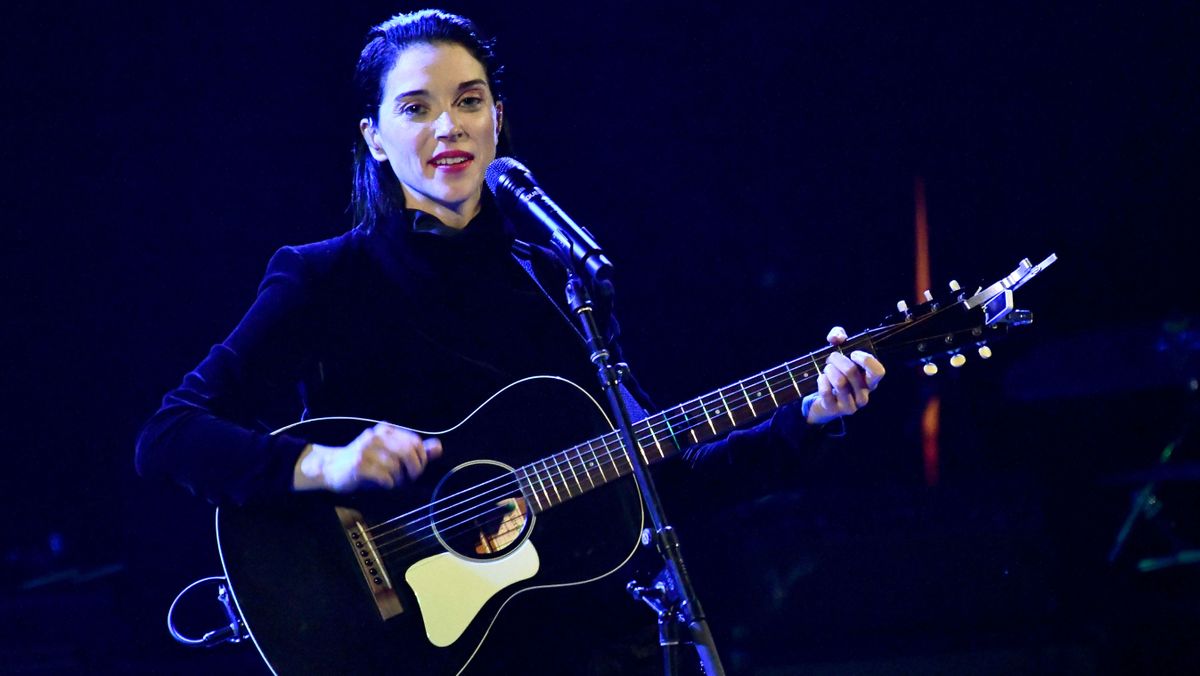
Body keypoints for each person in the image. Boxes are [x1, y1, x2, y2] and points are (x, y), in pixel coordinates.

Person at [136, 8, 885, 674]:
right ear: (374, 138)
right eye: (416, 107)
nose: (449, 127)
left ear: (499, 117)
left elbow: (665, 481)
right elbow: (169, 435)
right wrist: (324, 463)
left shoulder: (559, 282)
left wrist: (810, 416)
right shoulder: (324, 279)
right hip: (409, 646)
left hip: (584, 646)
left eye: (469, 101)